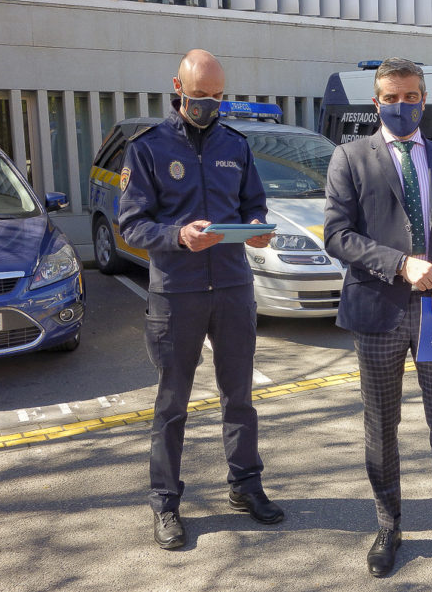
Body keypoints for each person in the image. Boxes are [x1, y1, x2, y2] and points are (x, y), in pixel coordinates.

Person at [323, 57, 432, 582]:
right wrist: (400, 264)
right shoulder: (350, 158)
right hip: (378, 313)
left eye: (412, 96)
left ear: (425, 98)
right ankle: (388, 526)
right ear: (376, 102)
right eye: (392, 98)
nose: (402, 106)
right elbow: (336, 235)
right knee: (382, 428)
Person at [119, 49, 283, 550]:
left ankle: (246, 486)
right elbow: (131, 223)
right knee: (173, 404)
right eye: (199, 97)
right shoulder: (147, 147)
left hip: (233, 286)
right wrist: (178, 235)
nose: (209, 105)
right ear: (177, 87)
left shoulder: (235, 144)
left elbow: (253, 204)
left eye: (217, 97)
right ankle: (165, 503)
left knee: (240, 397)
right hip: (177, 292)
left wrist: (257, 228)